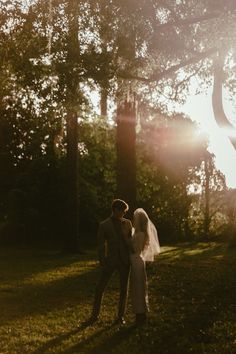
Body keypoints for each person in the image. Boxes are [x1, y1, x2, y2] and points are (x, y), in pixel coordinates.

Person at [88, 199, 133, 325]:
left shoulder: (128, 223)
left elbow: (131, 242)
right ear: (115, 210)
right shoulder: (104, 225)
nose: (123, 214)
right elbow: (101, 245)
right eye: (122, 211)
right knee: (100, 287)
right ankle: (95, 315)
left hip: (125, 260)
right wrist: (102, 260)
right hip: (110, 260)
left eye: (125, 212)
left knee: (124, 289)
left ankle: (120, 317)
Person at [130, 208, 160, 326]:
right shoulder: (136, 233)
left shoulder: (141, 235)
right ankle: (139, 314)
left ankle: (141, 314)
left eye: (135, 218)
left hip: (137, 261)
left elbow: (133, 249)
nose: (133, 220)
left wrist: (125, 239)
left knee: (139, 288)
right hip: (136, 261)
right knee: (137, 287)